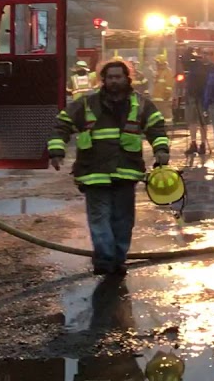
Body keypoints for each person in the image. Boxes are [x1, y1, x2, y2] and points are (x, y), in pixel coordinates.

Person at [46, 59, 170, 276]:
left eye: (118, 77)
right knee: (99, 218)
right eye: (110, 77)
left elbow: (156, 127)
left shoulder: (140, 104)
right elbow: (62, 124)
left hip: (126, 171)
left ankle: (118, 259)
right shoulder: (86, 104)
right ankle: (104, 259)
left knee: (123, 220)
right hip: (94, 171)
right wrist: (56, 151)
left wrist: (161, 150)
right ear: (103, 80)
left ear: (127, 78)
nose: (114, 81)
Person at [183, 50, 212, 157]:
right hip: (196, 98)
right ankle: (197, 143)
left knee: (197, 122)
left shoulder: (198, 69)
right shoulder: (199, 68)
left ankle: (199, 144)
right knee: (198, 122)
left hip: (198, 98)